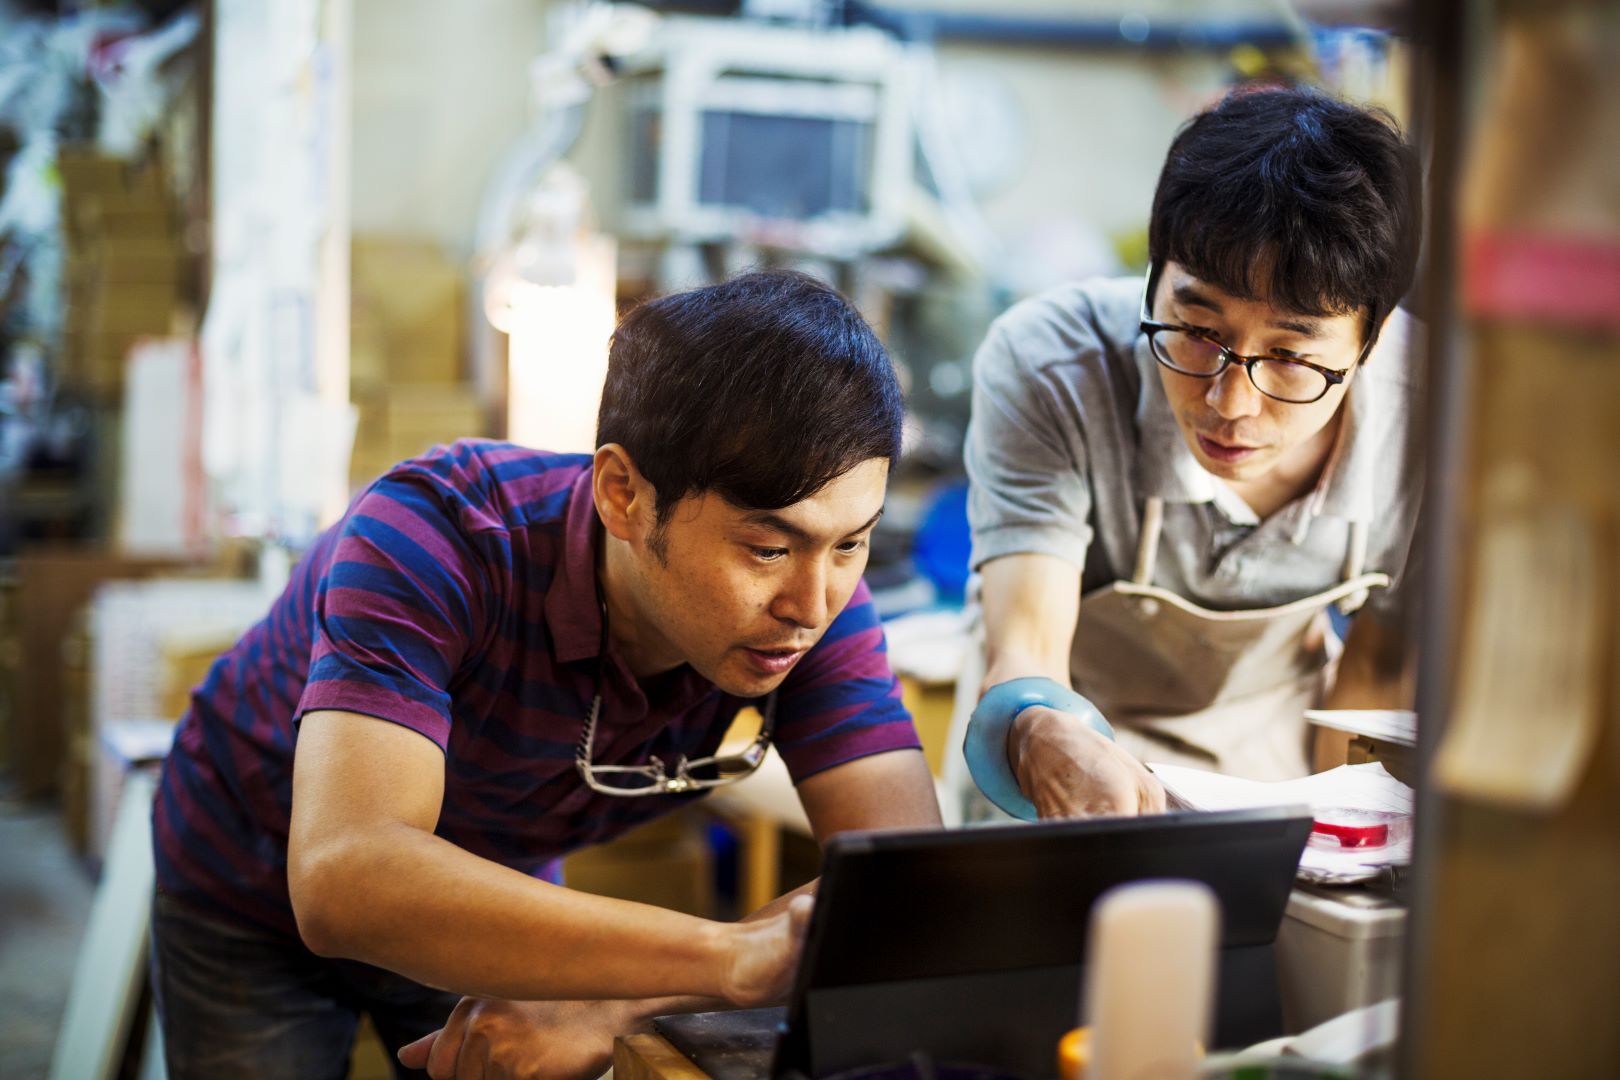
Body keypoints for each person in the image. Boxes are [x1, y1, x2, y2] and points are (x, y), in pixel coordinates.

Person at [149, 269, 942, 1079]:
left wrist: (621, 999)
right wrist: (723, 957)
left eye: (851, 543)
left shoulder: (820, 604)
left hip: (482, 884)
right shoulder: (435, 536)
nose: (812, 604)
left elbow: (910, 888)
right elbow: (346, 876)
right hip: (248, 875)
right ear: (624, 495)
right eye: (767, 548)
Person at [960, 86, 1424, 821]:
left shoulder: (1431, 420)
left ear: (1368, 342)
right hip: (1054, 773)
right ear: (1154, 276)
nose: (1229, 402)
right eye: (1198, 330)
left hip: (1272, 781)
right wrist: (1038, 732)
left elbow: (1375, 671)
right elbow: (1026, 644)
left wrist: (1334, 850)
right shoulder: (1054, 365)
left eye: (1291, 358)